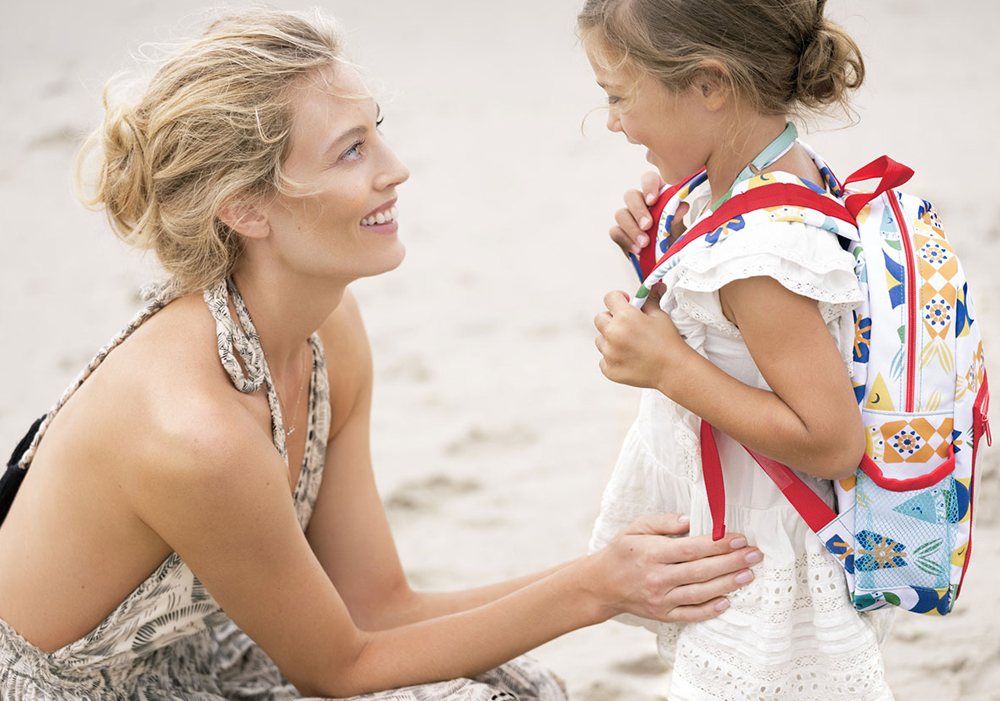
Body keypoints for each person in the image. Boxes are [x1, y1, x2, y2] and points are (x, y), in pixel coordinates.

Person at [0, 8, 763, 700]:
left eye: (378, 130)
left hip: (209, 652)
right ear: (246, 208)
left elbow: (375, 606)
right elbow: (339, 667)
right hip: (73, 690)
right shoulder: (195, 430)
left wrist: (606, 571)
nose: (394, 168)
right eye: (351, 151)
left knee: (525, 684)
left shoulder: (327, 329)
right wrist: (598, 590)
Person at [580, 1, 897, 699]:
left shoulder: (760, 251)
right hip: (758, 560)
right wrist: (659, 245)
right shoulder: (768, 180)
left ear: (710, 85)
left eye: (618, 96)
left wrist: (668, 366)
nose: (611, 121)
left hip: (765, 589)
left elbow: (832, 439)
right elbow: (736, 336)